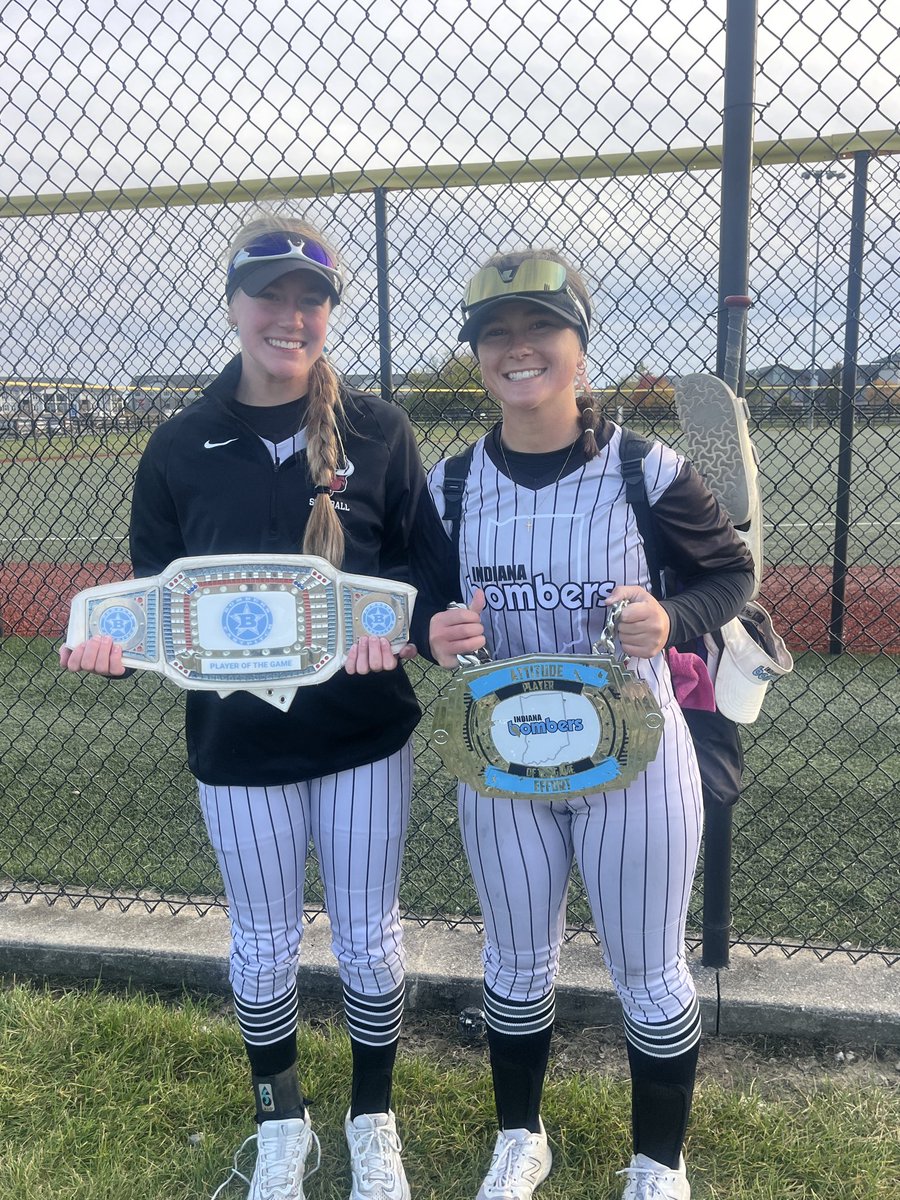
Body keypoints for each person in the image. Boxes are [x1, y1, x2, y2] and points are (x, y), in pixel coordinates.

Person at [61, 213, 431, 1200]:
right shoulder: (180, 444)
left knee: (369, 937)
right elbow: (156, 603)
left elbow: (421, 574)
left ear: (328, 315)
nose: (290, 316)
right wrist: (114, 652)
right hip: (238, 744)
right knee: (263, 944)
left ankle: (372, 1120)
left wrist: (398, 628)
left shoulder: (378, 433)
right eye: (270, 295)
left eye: (311, 299)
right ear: (234, 305)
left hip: (362, 734)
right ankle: (281, 1126)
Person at [421, 249, 756, 1200]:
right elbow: (420, 607)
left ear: (578, 343)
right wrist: (429, 632)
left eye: (541, 326)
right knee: (515, 965)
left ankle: (658, 1163)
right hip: (505, 760)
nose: (518, 348)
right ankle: (520, 1139)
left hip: (634, 757)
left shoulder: (646, 470)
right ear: (478, 356)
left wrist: (673, 617)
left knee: (648, 972)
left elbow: (731, 573)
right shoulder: (450, 487)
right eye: (496, 333)